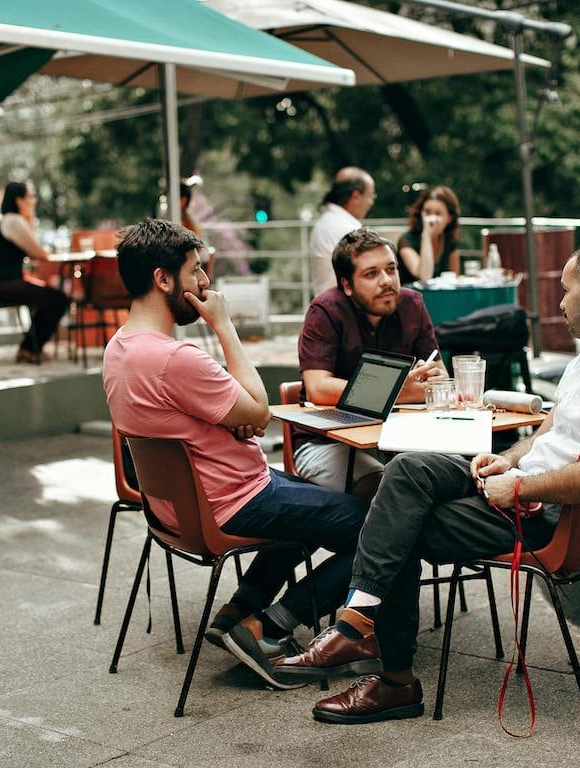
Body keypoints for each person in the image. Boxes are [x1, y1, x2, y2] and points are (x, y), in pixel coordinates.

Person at [273, 239, 580, 724]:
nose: (560, 302)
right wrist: (507, 461)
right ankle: (358, 618)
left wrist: (521, 488)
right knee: (407, 469)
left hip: (555, 518)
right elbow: (549, 432)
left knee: (403, 522)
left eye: (566, 292)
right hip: (523, 488)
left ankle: (395, 680)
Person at [103, 218, 368, 691]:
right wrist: (224, 326)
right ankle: (267, 629)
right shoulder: (174, 359)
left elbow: (242, 414)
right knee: (377, 526)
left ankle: (235, 613)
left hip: (177, 509)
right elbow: (259, 410)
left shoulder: (119, 349)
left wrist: (237, 415)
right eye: (195, 272)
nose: (206, 284)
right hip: (234, 501)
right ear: (163, 280)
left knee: (311, 504)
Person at [295, 228, 446, 499]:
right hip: (329, 442)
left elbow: (439, 380)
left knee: (457, 479)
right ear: (347, 285)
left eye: (391, 269)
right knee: (390, 495)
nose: (387, 281)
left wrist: (428, 383)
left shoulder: (412, 304)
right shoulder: (325, 311)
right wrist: (399, 391)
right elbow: (318, 388)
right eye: (371, 274)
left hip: (402, 437)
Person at [0, 181, 70, 364]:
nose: (34, 201)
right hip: (0, 285)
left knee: (48, 296)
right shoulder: (13, 221)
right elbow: (39, 253)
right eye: (31, 197)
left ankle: (30, 347)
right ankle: (29, 349)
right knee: (58, 299)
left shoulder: (1, 220)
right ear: (20, 200)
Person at [309, 167, 375, 295]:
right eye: (370, 196)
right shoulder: (348, 228)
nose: (371, 202)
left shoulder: (325, 222)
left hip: (325, 303)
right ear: (356, 196)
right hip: (342, 308)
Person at [396, 186, 461, 285]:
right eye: (427, 212)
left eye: (438, 214)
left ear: (449, 218)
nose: (431, 219)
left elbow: (454, 279)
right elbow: (424, 277)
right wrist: (426, 235)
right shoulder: (406, 240)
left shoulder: (450, 241)